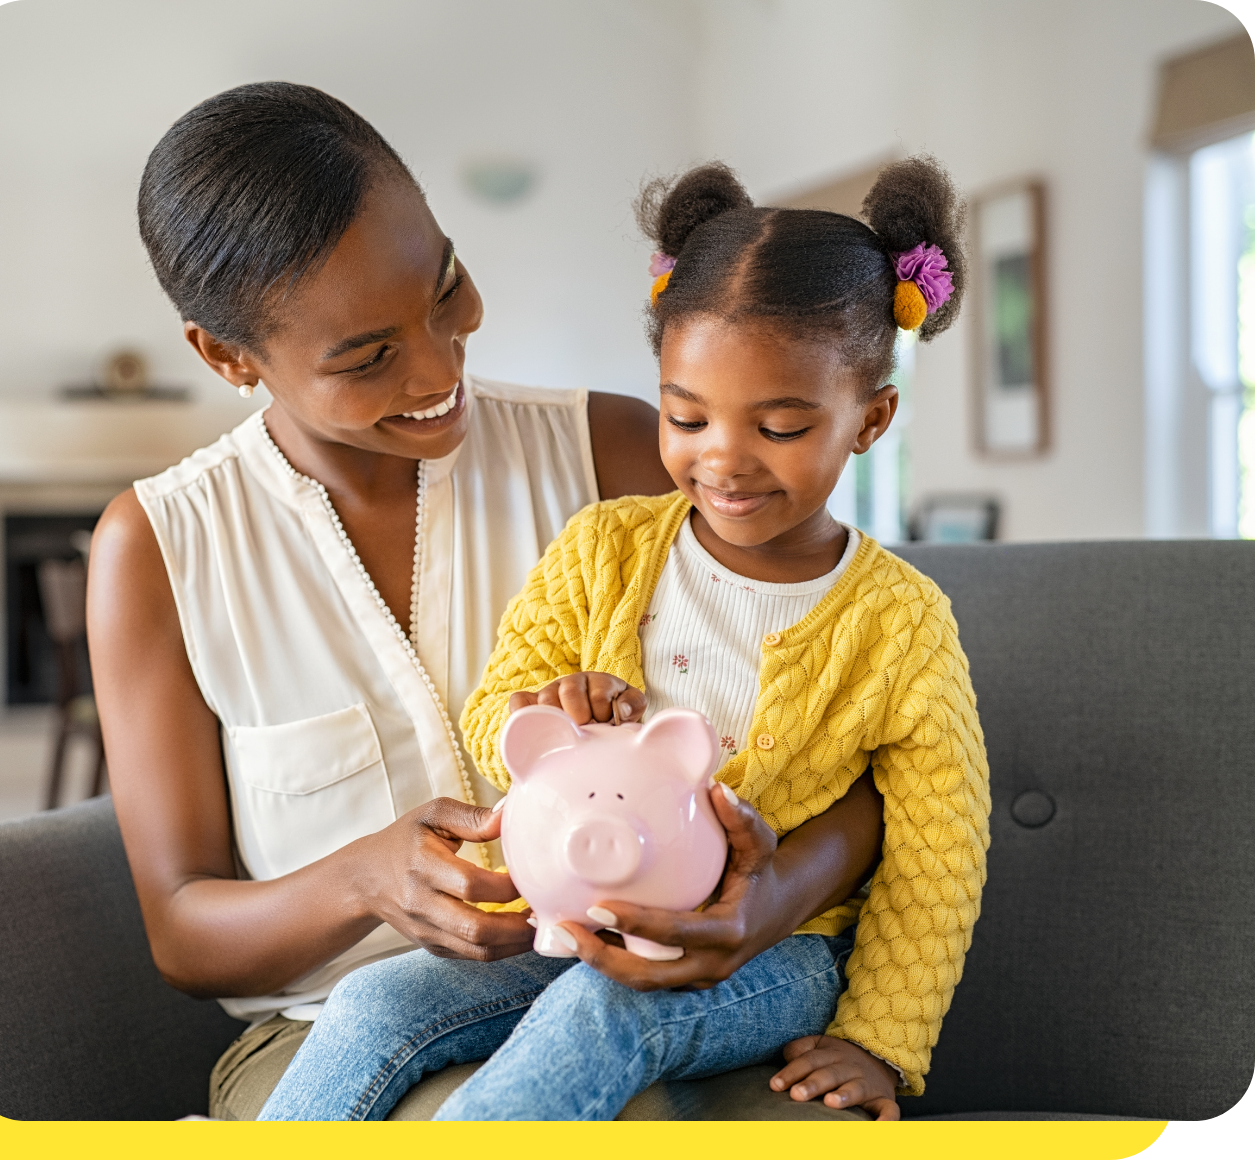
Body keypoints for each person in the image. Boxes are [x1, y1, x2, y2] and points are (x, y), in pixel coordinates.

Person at [86, 82, 887, 1121]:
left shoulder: (615, 454)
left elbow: (867, 733)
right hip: (329, 1037)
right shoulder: (159, 546)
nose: (438, 363)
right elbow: (184, 931)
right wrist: (361, 880)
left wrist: (766, 900)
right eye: (368, 356)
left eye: (446, 285)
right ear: (227, 356)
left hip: (641, 986)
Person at [258, 156, 991, 1123]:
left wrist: (880, 1044)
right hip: (570, 917)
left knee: (604, 1014)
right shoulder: (605, 548)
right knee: (377, 1000)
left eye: (778, 426)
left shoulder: (900, 623)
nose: (721, 458)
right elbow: (496, 712)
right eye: (686, 417)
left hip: (782, 951)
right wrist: (545, 710)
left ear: (871, 419)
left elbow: (941, 853)